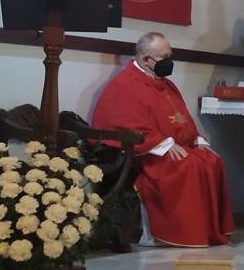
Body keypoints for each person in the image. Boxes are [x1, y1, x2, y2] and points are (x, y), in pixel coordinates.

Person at [92, 32, 235, 247]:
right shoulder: (124, 86)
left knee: (212, 161)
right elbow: (128, 125)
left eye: (170, 55)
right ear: (144, 59)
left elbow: (183, 120)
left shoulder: (166, 84)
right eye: (163, 57)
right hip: (146, 154)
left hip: (169, 146)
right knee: (188, 165)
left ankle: (208, 232)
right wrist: (166, 144)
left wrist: (198, 141)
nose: (169, 62)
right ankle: (183, 233)